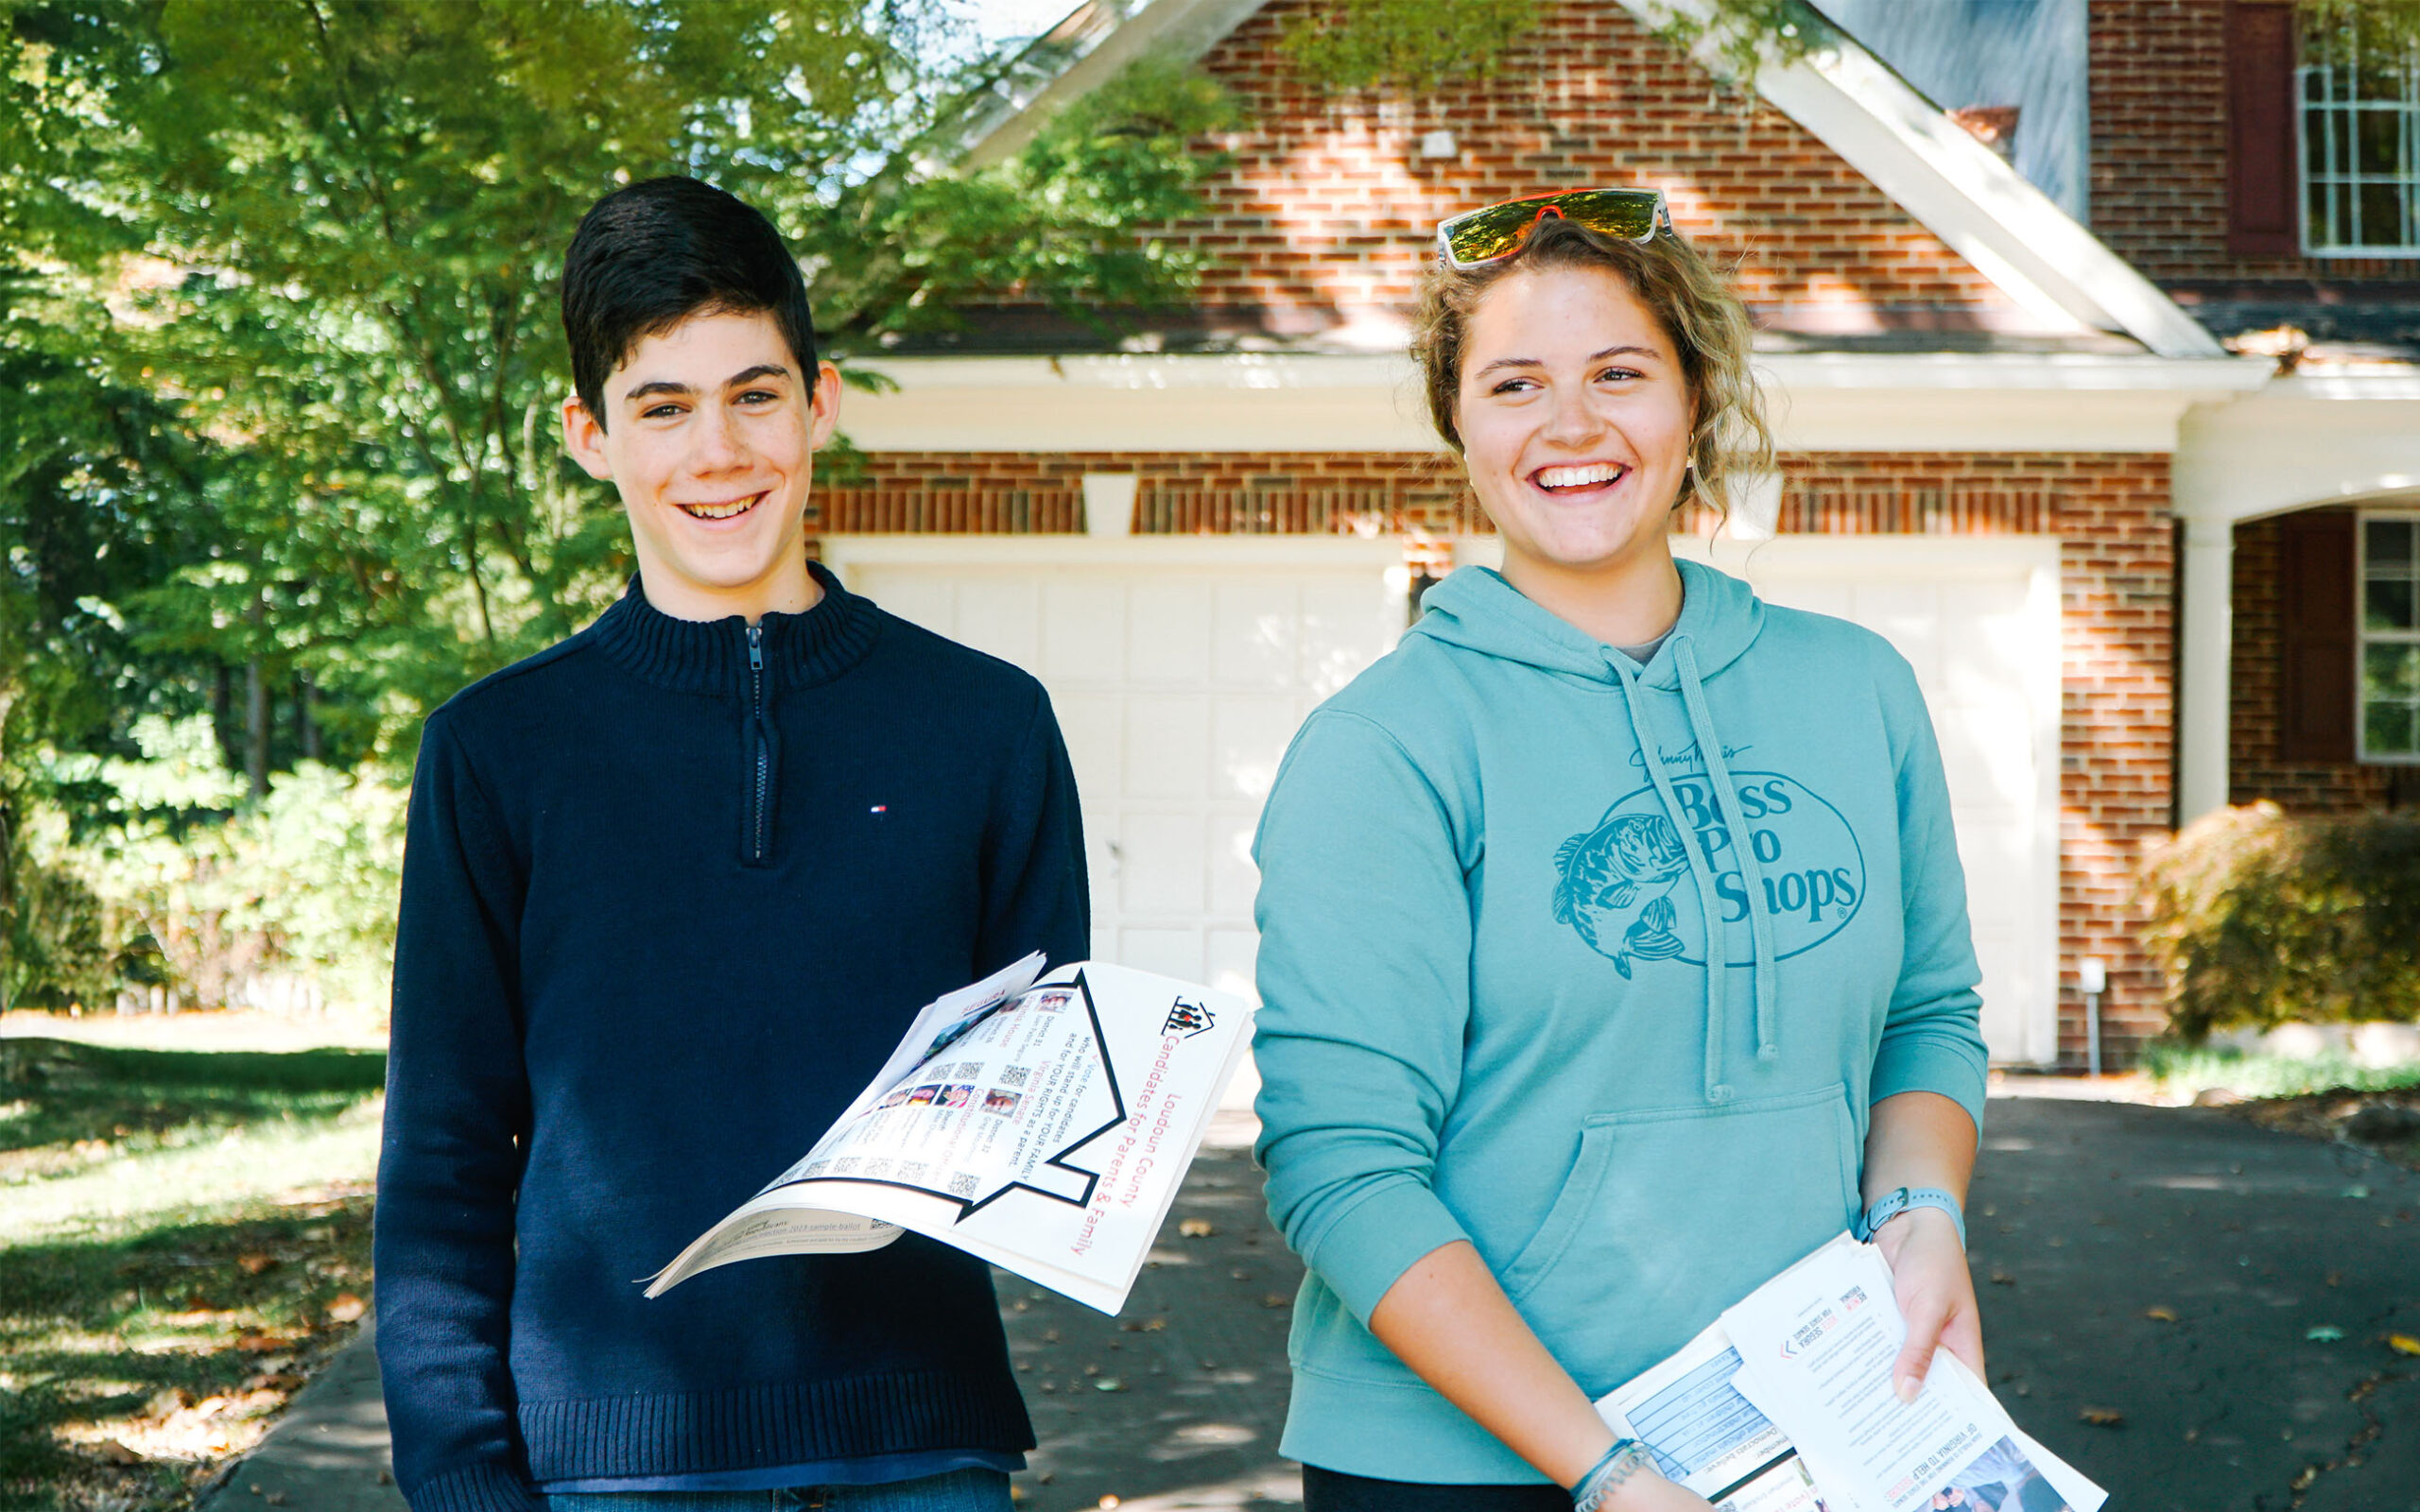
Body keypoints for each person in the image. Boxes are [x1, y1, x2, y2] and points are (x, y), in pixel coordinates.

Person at [1250, 188, 1991, 1512]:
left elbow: (1928, 1016)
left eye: (1620, 373)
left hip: (1801, 1430)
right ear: (1457, 421)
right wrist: (1607, 1474)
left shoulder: (1856, 690)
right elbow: (1344, 1166)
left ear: (1694, 400)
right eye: (1516, 383)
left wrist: (1923, 1217)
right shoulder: (1388, 746)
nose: (1572, 425)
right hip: (1456, 1466)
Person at [373, 175, 1087, 1512]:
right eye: (664, 406)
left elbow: (1034, 1099)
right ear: (590, 436)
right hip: (611, 1464)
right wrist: (462, 1480)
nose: (719, 452)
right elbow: (445, 1153)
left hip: (920, 1447)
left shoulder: (987, 725)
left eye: (755, 394)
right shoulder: (496, 751)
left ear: (819, 404)